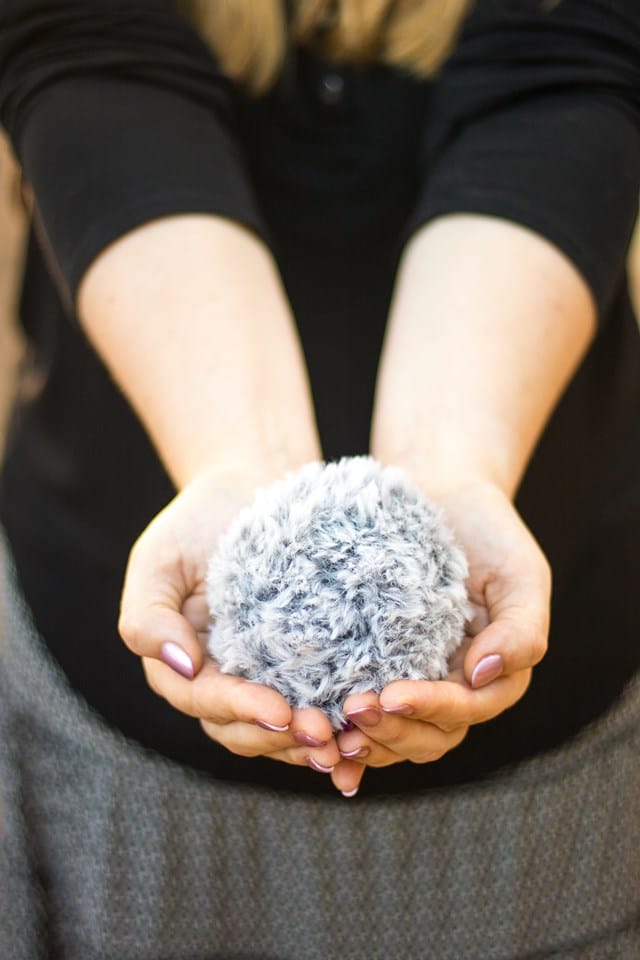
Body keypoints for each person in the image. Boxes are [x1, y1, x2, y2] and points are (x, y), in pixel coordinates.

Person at [0, 0, 639, 957]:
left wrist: (452, 467)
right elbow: (83, 44)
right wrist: (235, 466)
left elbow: (572, 60)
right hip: (118, 717)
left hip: (547, 730)